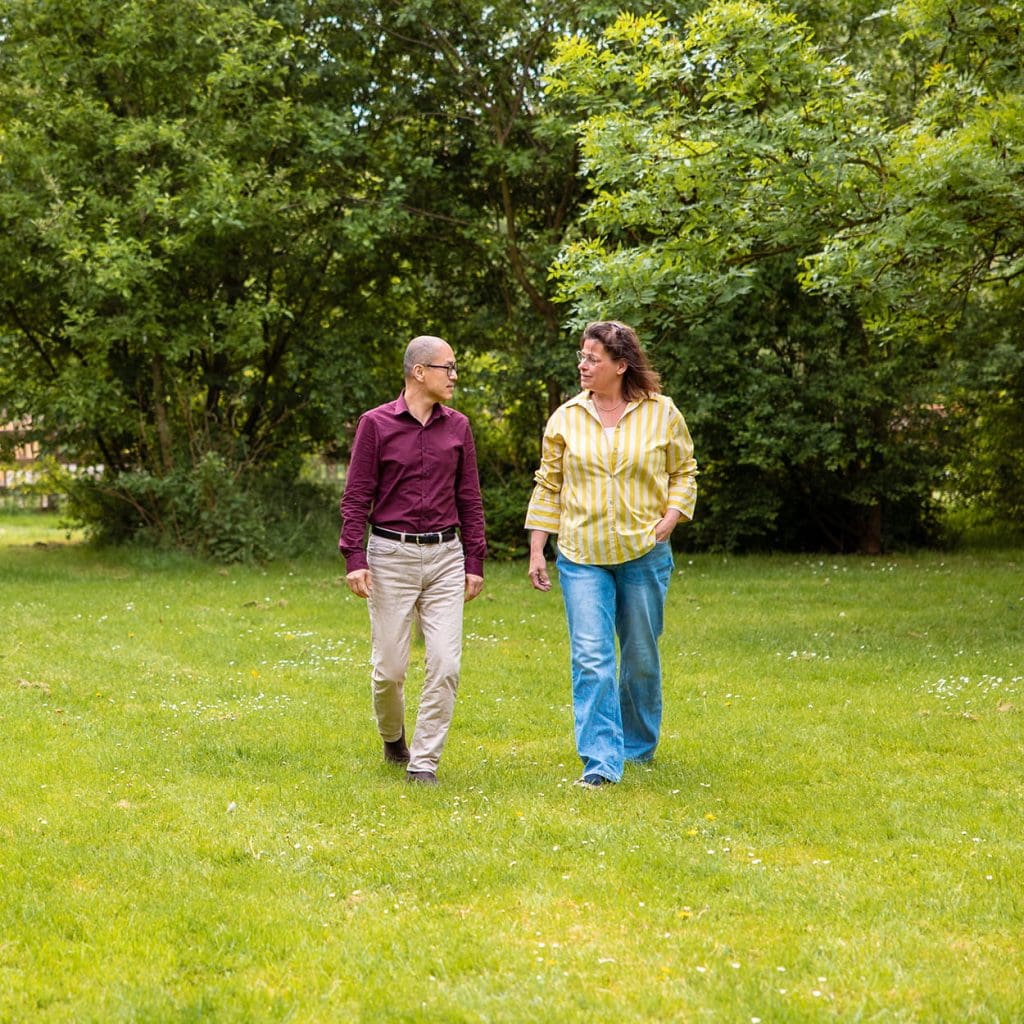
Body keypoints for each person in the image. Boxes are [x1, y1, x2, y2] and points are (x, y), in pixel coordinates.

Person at [525, 320, 697, 789]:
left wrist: (671, 517)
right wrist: (538, 547)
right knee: (592, 657)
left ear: (621, 366)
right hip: (581, 554)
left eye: (592, 358)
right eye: (581, 357)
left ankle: (637, 747)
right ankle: (601, 761)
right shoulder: (565, 418)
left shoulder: (662, 413)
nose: (582, 365)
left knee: (640, 655)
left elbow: (684, 472)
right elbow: (549, 485)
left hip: (644, 553)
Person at [340, 335, 486, 786]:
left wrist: (474, 559)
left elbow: (470, 498)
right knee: (390, 670)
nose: (455, 376)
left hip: (445, 556)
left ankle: (423, 764)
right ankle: (392, 738)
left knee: (445, 664)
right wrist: (354, 556)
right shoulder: (375, 424)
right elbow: (357, 495)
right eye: (449, 367)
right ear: (419, 372)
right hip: (390, 557)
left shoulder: (458, 427)